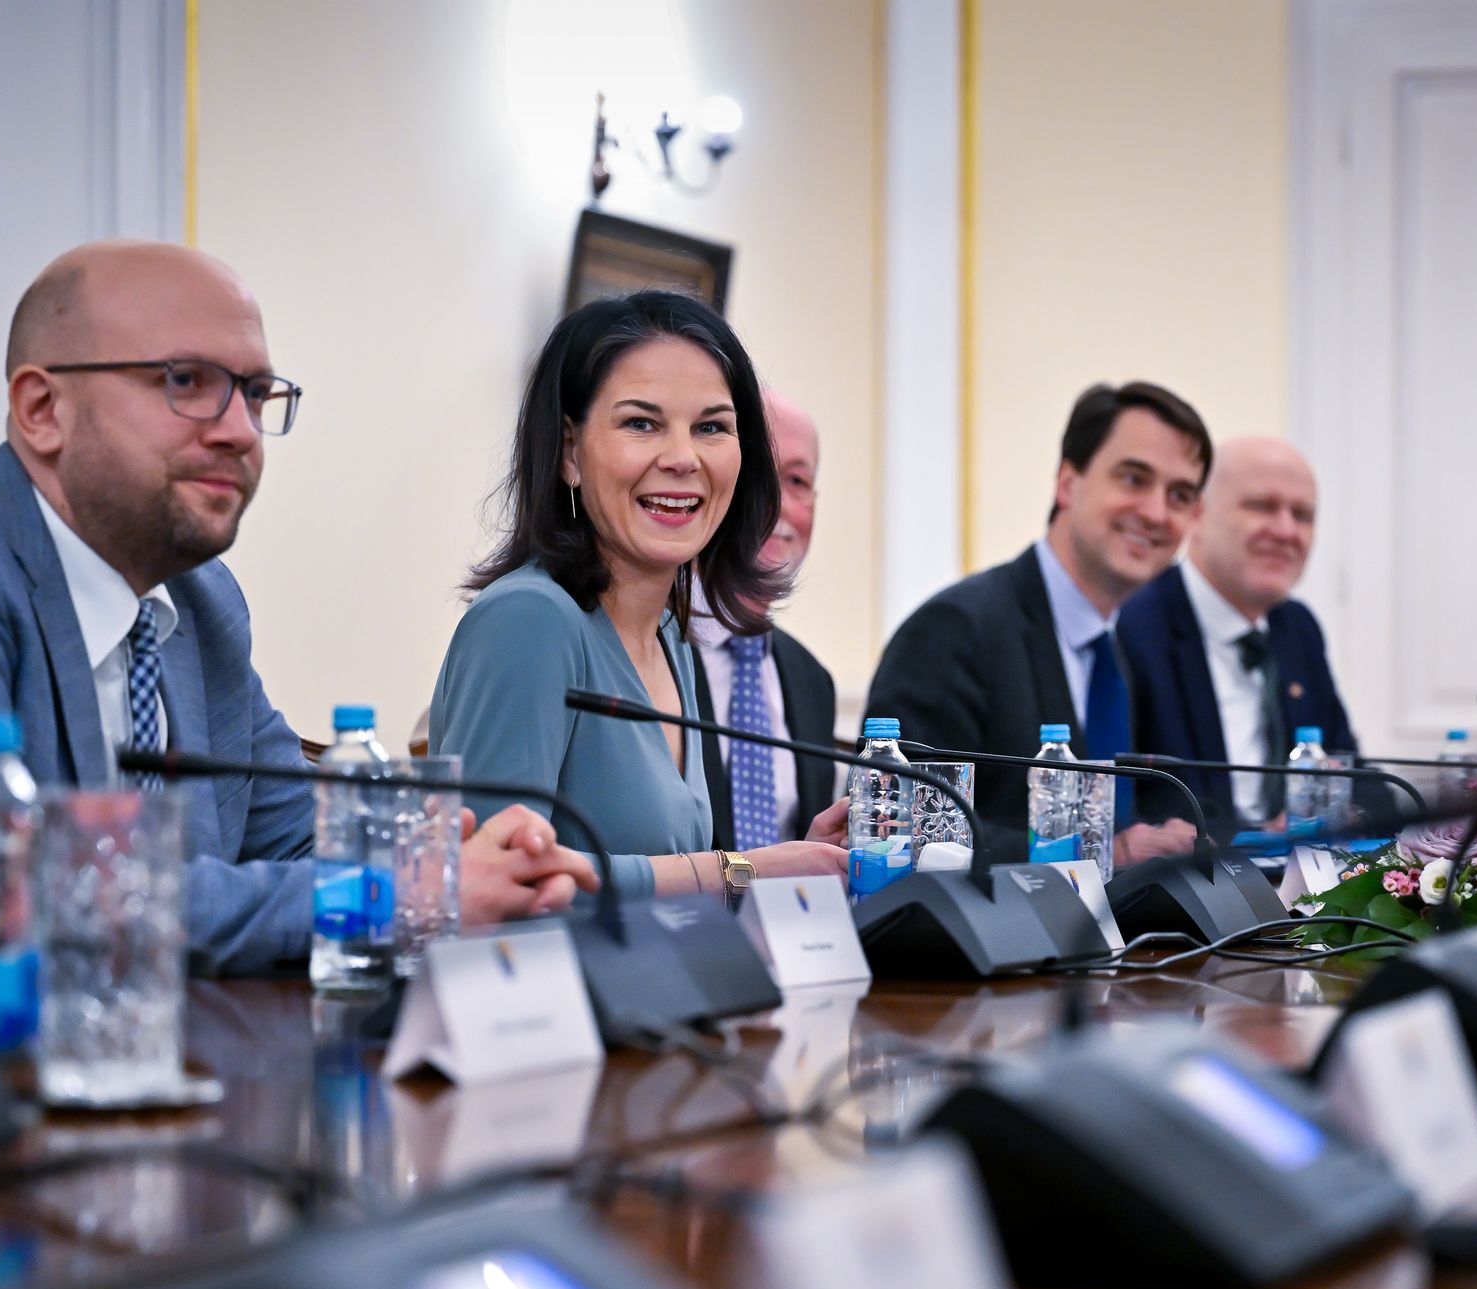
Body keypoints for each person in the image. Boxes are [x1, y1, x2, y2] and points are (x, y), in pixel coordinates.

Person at [0, 241, 596, 974]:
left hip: (188, 1065)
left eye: (254, 394)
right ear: (41, 409)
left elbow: (299, 844)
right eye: (186, 381)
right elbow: (0, 897)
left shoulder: (202, 600)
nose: (240, 432)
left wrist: (459, 866)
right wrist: (395, 896)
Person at [428, 291, 848, 907]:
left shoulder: (668, 635)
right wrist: (744, 870)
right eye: (641, 423)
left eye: (710, 427)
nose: (682, 458)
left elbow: (673, 878)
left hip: (664, 994)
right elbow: (494, 890)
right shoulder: (527, 621)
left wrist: (798, 863)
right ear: (570, 451)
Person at [865, 381, 1206, 865]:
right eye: (1134, 479)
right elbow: (907, 835)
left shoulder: (1123, 651)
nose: (1155, 512)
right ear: (1067, 482)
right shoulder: (955, 630)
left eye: (1179, 495)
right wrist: (1106, 855)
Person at [1117, 435, 1364, 832]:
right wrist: (1254, 841)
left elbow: (1358, 780)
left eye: (1302, 514)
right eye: (1262, 506)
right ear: (1197, 513)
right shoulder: (1134, 625)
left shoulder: (1297, 628)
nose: (1286, 530)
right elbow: (1129, 814)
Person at [689, 388, 839, 850]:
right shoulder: (645, 646)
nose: (775, 504)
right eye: (757, 473)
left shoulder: (812, 679)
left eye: (796, 481)